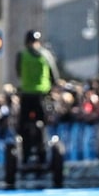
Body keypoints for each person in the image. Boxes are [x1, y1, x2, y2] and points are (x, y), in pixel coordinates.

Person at [15, 29, 59, 163]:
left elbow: (19, 73)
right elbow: (54, 76)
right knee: (44, 122)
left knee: (22, 124)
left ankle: (25, 151)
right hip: (42, 95)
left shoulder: (22, 54)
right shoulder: (46, 55)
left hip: (27, 94)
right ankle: (43, 148)